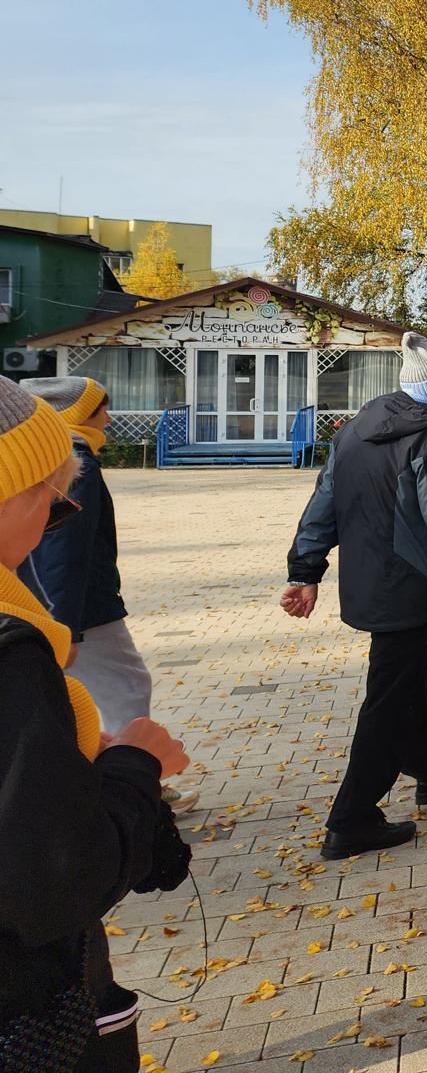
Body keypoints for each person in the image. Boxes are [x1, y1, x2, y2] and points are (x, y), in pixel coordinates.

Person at [0, 374, 189, 1073]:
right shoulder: (15, 656)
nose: (55, 517)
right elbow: (54, 875)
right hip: (34, 1015)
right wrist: (133, 766)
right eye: (50, 502)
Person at [283, 332, 427, 860]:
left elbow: (322, 504)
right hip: (410, 586)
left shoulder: (354, 432)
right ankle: (352, 817)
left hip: (368, 586)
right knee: (389, 698)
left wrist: (305, 570)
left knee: (406, 671)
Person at [18, 379, 154, 735]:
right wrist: (66, 628)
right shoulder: (74, 465)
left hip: (54, 605)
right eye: (101, 410)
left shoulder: (43, 457)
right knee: (127, 688)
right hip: (79, 609)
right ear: (79, 414)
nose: (108, 419)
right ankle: (133, 778)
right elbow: (65, 550)